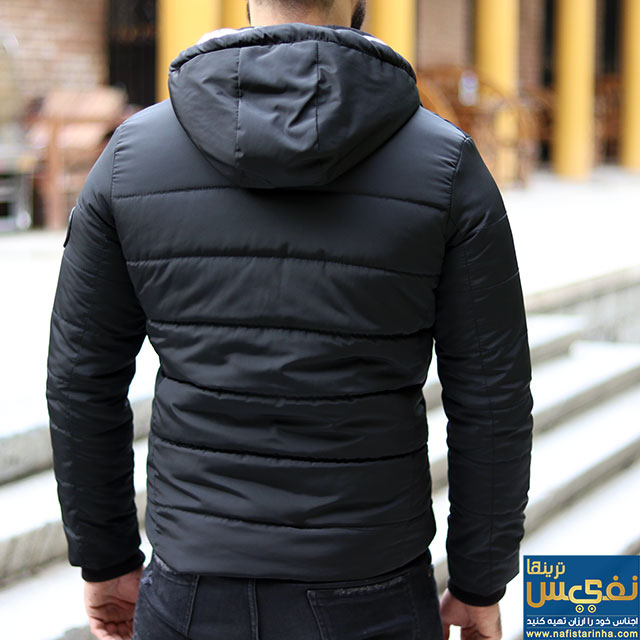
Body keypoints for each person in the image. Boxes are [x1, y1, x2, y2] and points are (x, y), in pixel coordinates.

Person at [46, 1, 534, 639]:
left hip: (193, 588)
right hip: (373, 586)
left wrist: (106, 557)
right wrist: (479, 581)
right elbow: (493, 399)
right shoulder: (446, 165)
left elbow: (80, 380)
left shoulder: (132, 157)